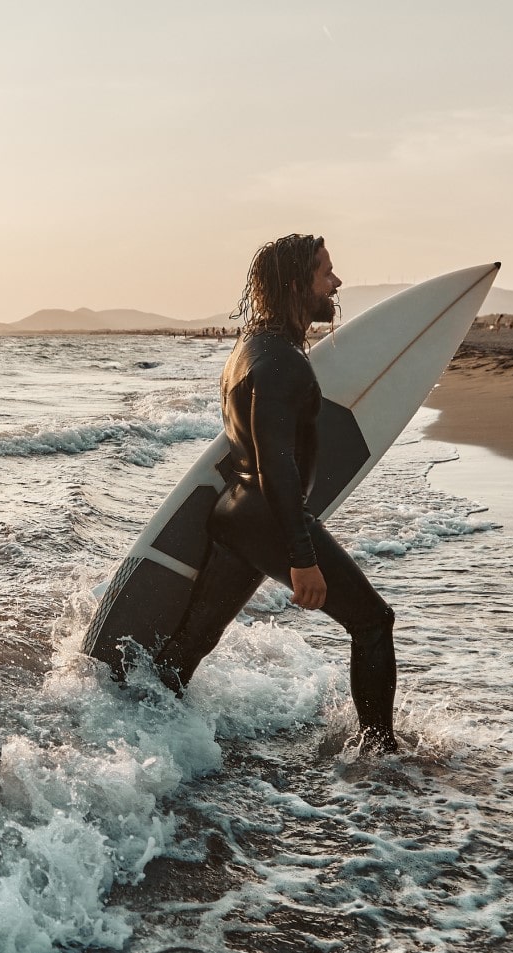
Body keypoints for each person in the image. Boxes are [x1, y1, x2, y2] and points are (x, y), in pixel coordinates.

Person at [151, 234, 403, 754]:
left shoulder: (250, 350)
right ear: (297, 284)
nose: (336, 282)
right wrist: (302, 557)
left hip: (235, 513)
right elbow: (277, 468)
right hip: (267, 514)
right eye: (326, 273)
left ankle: (139, 726)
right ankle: (381, 755)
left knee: (194, 642)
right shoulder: (281, 361)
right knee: (374, 623)